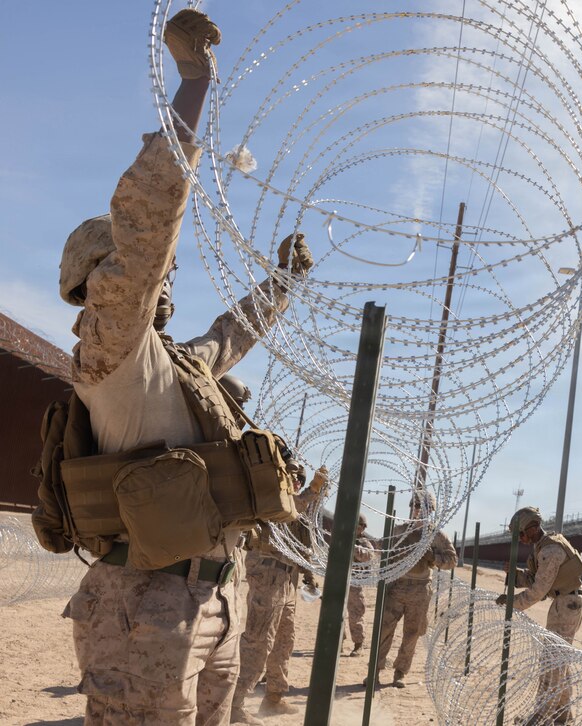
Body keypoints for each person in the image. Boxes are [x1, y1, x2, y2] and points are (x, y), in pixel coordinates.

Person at [36, 10, 314, 724]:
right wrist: (194, 89)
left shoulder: (177, 365)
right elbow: (147, 229)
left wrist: (283, 283)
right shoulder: (112, 353)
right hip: (144, 608)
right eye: (152, 275)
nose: (167, 281)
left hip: (211, 597)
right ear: (103, 281)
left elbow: (232, 334)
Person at [231, 466, 327, 723]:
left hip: (287, 578)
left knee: (285, 639)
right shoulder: (273, 498)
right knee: (258, 640)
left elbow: (301, 541)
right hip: (268, 575)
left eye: (301, 480)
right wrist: (312, 491)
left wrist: (307, 576)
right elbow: (289, 509)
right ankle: (235, 703)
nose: (297, 483)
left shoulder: (297, 506)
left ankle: (273, 697)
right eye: (293, 478)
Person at [497, 506, 582, 725]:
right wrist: (515, 577)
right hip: (566, 602)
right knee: (559, 662)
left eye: (522, 533)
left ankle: (541, 718)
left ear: (535, 527)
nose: (520, 539)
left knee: (551, 664)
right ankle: (563, 716)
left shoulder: (550, 551)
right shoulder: (543, 548)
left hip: (567, 605)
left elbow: (538, 591)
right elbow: (535, 579)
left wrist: (513, 604)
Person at [369, 490, 456, 688]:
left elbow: (452, 560)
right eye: (415, 506)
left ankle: (400, 673)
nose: (418, 511)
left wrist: (433, 557)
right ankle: (374, 671)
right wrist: (367, 545)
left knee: (412, 634)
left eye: (423, 508)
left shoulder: (436, 535)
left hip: (420, 589)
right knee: (384, 630)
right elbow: (381, 546)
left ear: (430, 511)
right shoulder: (399, 530)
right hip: (397, 587)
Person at [345, 515, 375, 657]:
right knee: (336, 612)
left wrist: (353, 547)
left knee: (356, 614)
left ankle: (358, 644)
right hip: (341, 579)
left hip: (355, 583)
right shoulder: (343, 537)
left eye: (358, 526)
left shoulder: (364, 542)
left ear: (363, 528)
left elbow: (367, 556)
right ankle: (338, 642)